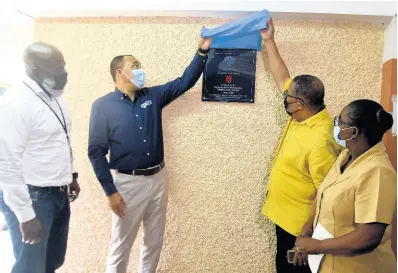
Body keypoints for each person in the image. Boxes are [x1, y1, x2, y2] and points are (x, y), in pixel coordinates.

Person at [88, 37, 212, 273]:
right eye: (135, 66)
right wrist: (110, 191)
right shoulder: (102, 106)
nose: (140, 70)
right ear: (119, 72)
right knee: (121, 245)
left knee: (154, 242)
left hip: (158, 178)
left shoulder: (152, 96)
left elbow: (184, 82)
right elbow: (95, 153)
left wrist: (202, 52)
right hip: (127, 184)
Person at [259, 18, 342, 273]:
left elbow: (326, 193)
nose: (285, 98)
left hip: (299, 231)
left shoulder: (321, 140)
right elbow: (281, 74)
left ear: (301, 103)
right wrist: (269, 40)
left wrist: (306, 236)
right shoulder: (302, 115)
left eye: (288, 97)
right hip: (284, 220)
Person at [0, 42, 80, 273]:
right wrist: (25, 216)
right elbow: (6, 164)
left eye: (63, 65)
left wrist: (70, 176)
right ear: (34, 70)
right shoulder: (15, 104)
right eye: (56, 68)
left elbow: (60, 140)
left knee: (52, 262)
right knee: (30, 267)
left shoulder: (54, 96)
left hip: (58, 192)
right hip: (33, 197)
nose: (62, 73)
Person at [294, 99, 397, 273]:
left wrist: (317, 246)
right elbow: (323, 194)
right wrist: (306, 232)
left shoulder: (377, 171)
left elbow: (368, 238)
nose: (336, 124)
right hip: (330, 264)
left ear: (353, 131)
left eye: (340, 121)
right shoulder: (346, 157)